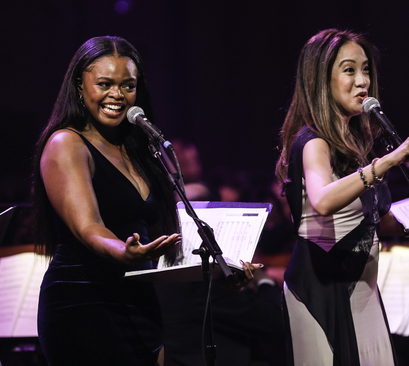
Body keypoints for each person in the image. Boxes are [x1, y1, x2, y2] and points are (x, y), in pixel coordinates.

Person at [32, 36, 260, 366]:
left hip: (139, 302)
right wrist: (123, 251)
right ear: (80, 86)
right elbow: (88, 226)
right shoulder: (66, 144)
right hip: (83, 304)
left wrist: (222, 270)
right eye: (105, 84)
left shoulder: (140, 147)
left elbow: (166, 244)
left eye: (128, 85)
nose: (117, 95)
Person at [276, 29, 409, 365]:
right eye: (350, 70)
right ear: (321, 79)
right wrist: (388, 162)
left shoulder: (355, 144)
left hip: (362, 290)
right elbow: (322, 201)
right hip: (321, 291)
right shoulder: (314, 142)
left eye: (366, 70)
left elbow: (369, 222)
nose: (362, 80)